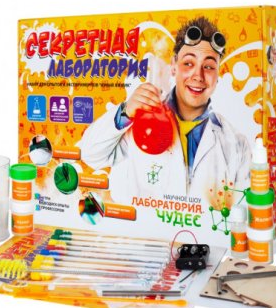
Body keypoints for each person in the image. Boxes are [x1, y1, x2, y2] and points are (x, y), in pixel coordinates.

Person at [78, 17, 251, 202]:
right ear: (173, 66)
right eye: (188, 63)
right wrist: (126, 111)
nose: (198, 76)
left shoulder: (236, 143)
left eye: (208, 66)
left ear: (218, 75)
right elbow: (89, 154)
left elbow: (242, 205)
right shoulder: (138, 120)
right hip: (139, 221)